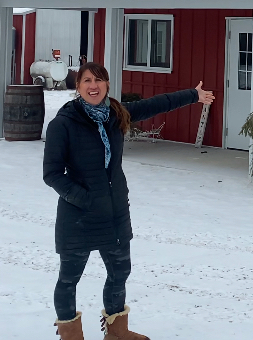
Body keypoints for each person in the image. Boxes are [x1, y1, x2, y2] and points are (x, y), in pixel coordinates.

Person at [44, 61, 214, 339]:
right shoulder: (63, 124)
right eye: (87, 81)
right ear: (78, 86)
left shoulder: (116, 114)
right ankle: (71, 336)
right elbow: (52, 174)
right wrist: (86, 200)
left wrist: (193, 95)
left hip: (115, 213)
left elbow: (157, 104)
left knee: (120, 272)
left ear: (107, 85)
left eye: (99, 80)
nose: (93, 86)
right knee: (69, 279)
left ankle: (117, 332)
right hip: (78, 217)